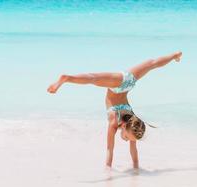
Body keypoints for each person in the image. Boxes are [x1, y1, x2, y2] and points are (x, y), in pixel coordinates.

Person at [47, 51, 182, 169]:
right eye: (127, 138)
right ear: (123, 127)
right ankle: (66, 78)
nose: (126, 140)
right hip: (118, 84)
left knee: (152, 64)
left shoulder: (133, 124)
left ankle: (174, 55)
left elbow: (133, 150)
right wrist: (108, 168)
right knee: (93, 78)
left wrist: (136, 168)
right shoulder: (114, 124)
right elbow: (109, 150)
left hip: (128, 82)